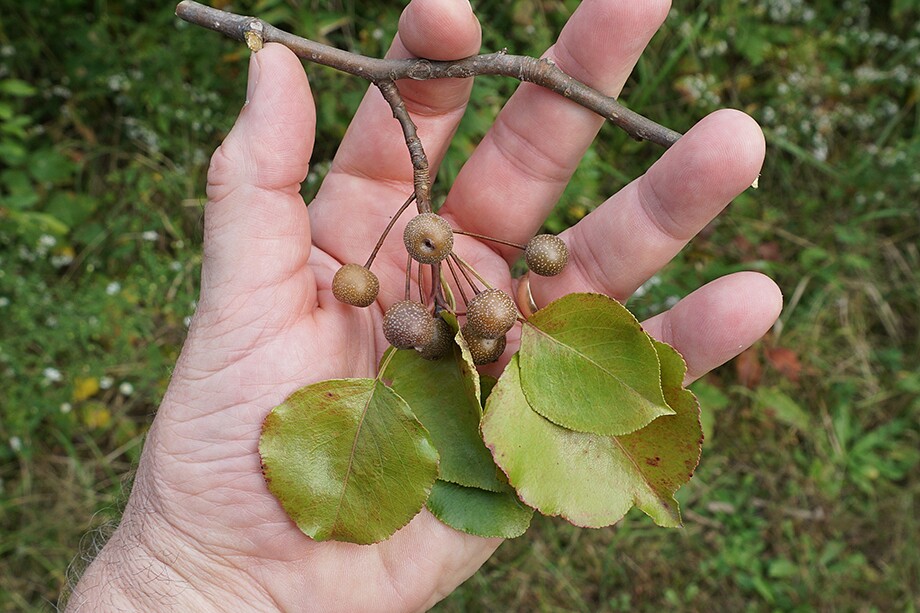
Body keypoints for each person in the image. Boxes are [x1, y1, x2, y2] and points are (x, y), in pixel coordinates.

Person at [66, 0, 782, 610]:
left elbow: (463, 298)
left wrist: (200, 577)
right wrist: (200, 572)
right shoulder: (429, 313)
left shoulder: (455, 311)